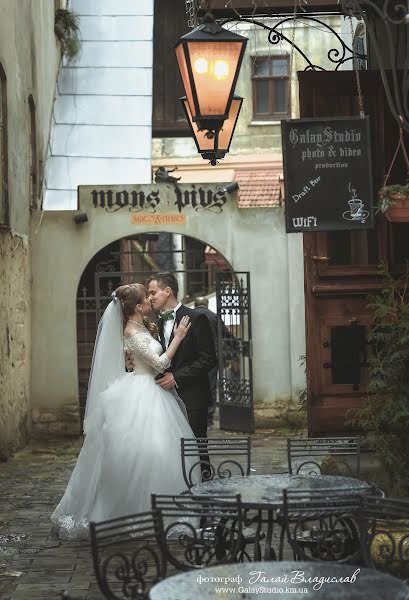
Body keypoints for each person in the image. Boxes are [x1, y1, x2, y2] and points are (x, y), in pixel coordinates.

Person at [51, 283, 200, 540]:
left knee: (157, 455)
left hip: (148, 391)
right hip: (142, 395)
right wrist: (178, 337)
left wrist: (129, 358)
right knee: (142, 454)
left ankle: (155, 510)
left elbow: (134, 359)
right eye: (147, 298)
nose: (150, 301)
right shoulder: (132, 331)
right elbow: (160, 364)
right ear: (138, 306)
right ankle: (132, 513)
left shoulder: (140, 327)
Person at [145, 273, 217, 442]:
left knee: (196, 447)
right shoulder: (159, 321)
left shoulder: (196, 318)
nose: (150, 298)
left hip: (193, 397)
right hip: (165, 398)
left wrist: (176, 377)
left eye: (153, 293)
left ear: (168, 291)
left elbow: (208, 358)